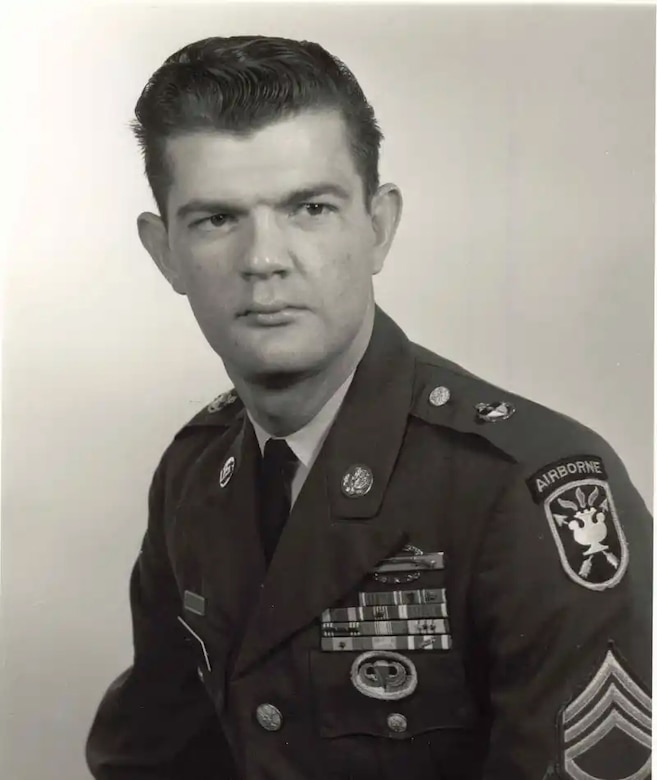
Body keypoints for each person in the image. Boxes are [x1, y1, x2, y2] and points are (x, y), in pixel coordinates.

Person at [85, 35, 652, 780]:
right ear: (164, 252)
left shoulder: (528, 489)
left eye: (309, 209)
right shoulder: (195, 474)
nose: (264, 260)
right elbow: (153, 757)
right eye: (216, 219)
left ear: (378, 227)